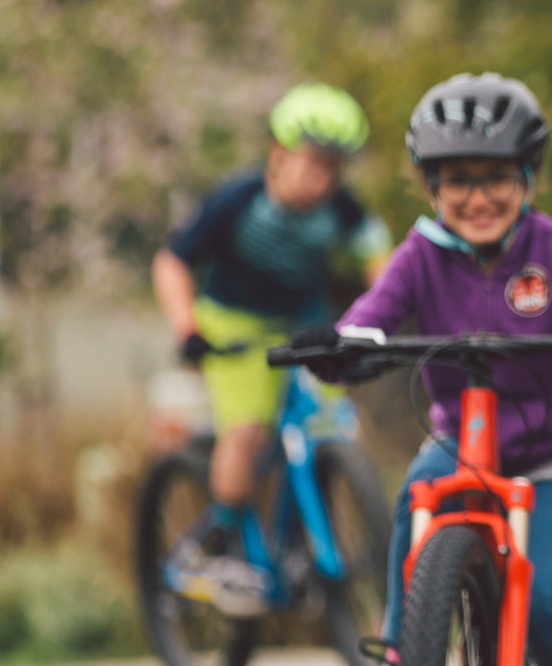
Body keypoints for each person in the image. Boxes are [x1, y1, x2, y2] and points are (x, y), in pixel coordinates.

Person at [315, 73, 552, 666]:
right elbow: (375, 310)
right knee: (416, 497)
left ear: (526, 178)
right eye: (457, 180)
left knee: (544, 600)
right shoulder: (421, 255)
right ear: (431, 185)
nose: (478, 197)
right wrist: (346, 341)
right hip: (462, 439)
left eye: (496, 178)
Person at [151, 82, 392, 617]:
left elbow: (383, 263)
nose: (323, 181)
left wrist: (384, 317)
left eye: (335, 169)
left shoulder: (343, 209)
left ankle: (306, 535)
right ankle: (228, 539)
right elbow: (171, 263)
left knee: (330, 425)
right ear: (277, 155)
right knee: (249, 429)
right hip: (233, 324)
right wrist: (187, 327)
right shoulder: (236, 200)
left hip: (305, 326)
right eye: (312, 165)